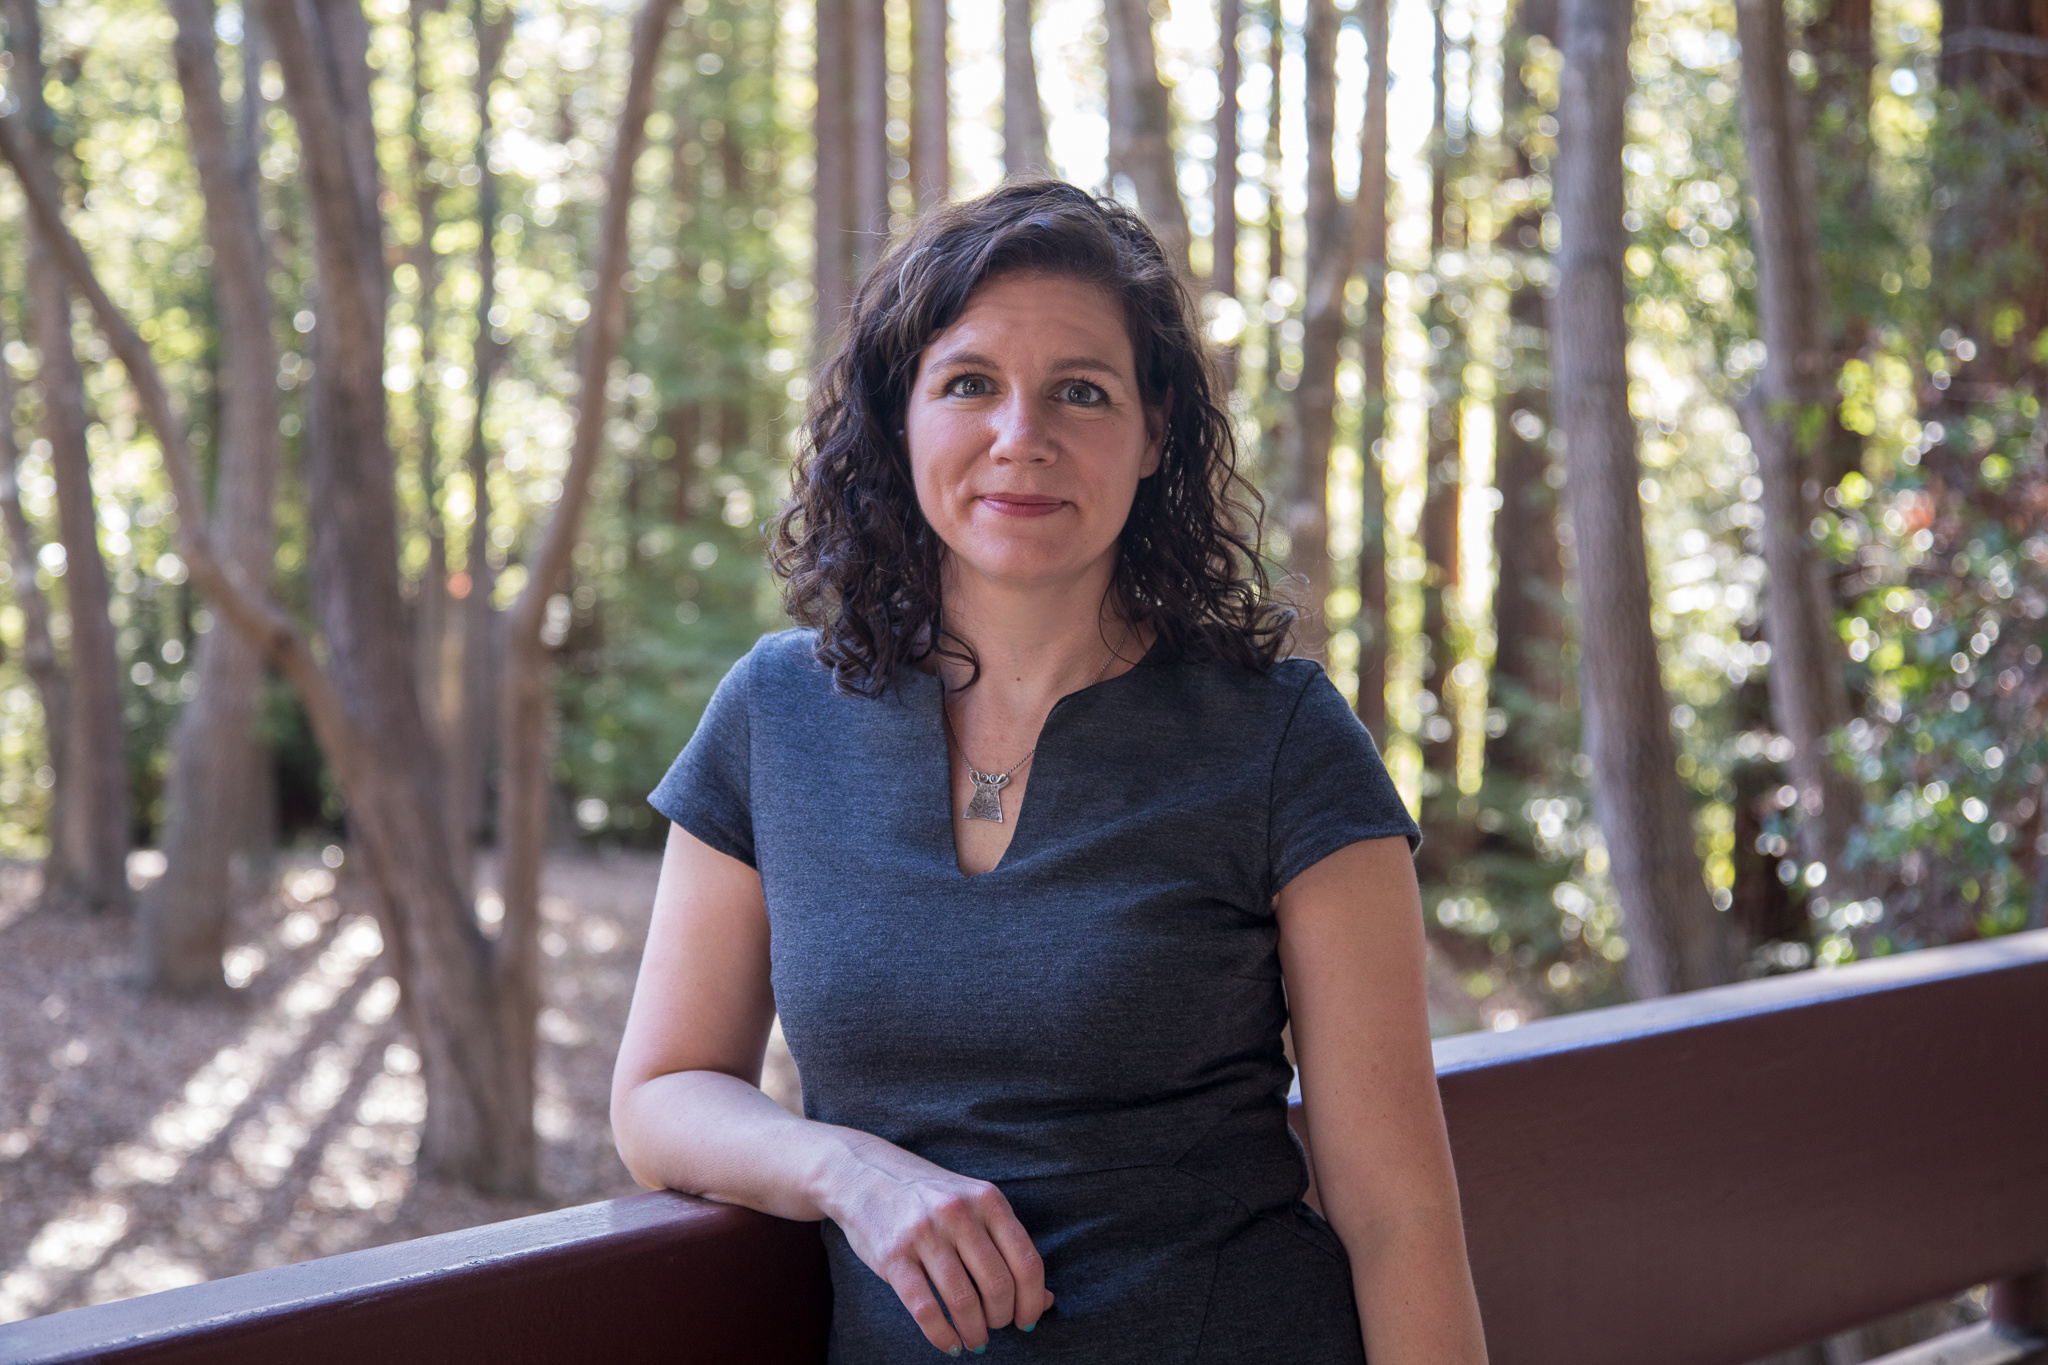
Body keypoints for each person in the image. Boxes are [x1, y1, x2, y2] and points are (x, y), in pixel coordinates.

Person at [611, 179, 1488, 1364]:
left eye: (1081, 391)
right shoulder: (776, 714)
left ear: (1153, 431)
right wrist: (848, 1172)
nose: (1020, 436)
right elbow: (661, 1094)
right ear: (899, 415)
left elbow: (1397, 1217)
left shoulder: (1281, 740)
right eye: (968, 383)